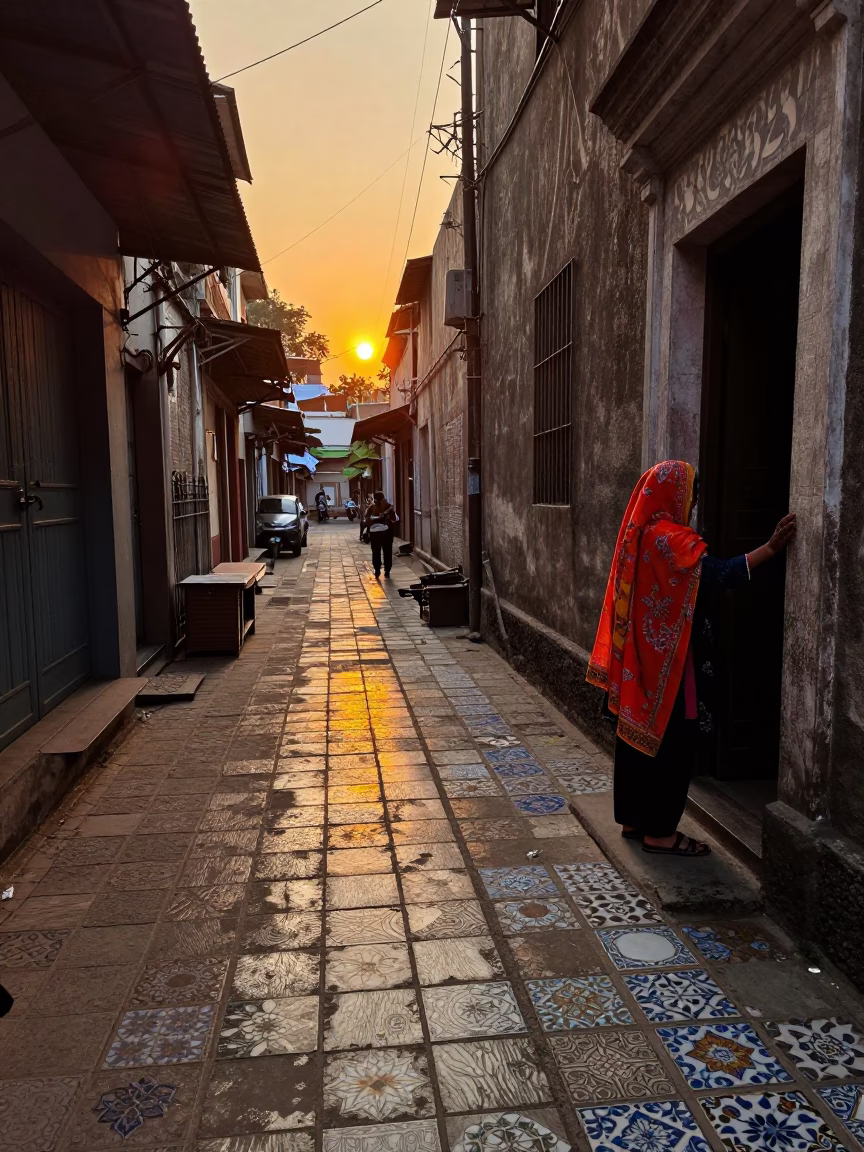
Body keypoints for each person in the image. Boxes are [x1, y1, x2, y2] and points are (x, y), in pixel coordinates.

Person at [587, 459, 796, 858]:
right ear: (675, 494)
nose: (696, 501)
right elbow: (718, 575)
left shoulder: (641, 534)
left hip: (639, 662)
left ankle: (634, 818)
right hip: (672, 665)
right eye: (692, 492)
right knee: (673, 745)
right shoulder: (672, 540)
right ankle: (661, 833)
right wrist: (770, 549)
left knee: (635, 738)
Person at [363, 489, 398, 578]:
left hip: (374, 533)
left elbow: (366, 518)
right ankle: (387, 571)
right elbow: (395, 519)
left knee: (375, 551)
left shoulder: (371, 507)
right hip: (387, 532)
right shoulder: (388, 506)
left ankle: (377, 570)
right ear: (383, 498)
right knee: (387, 551)